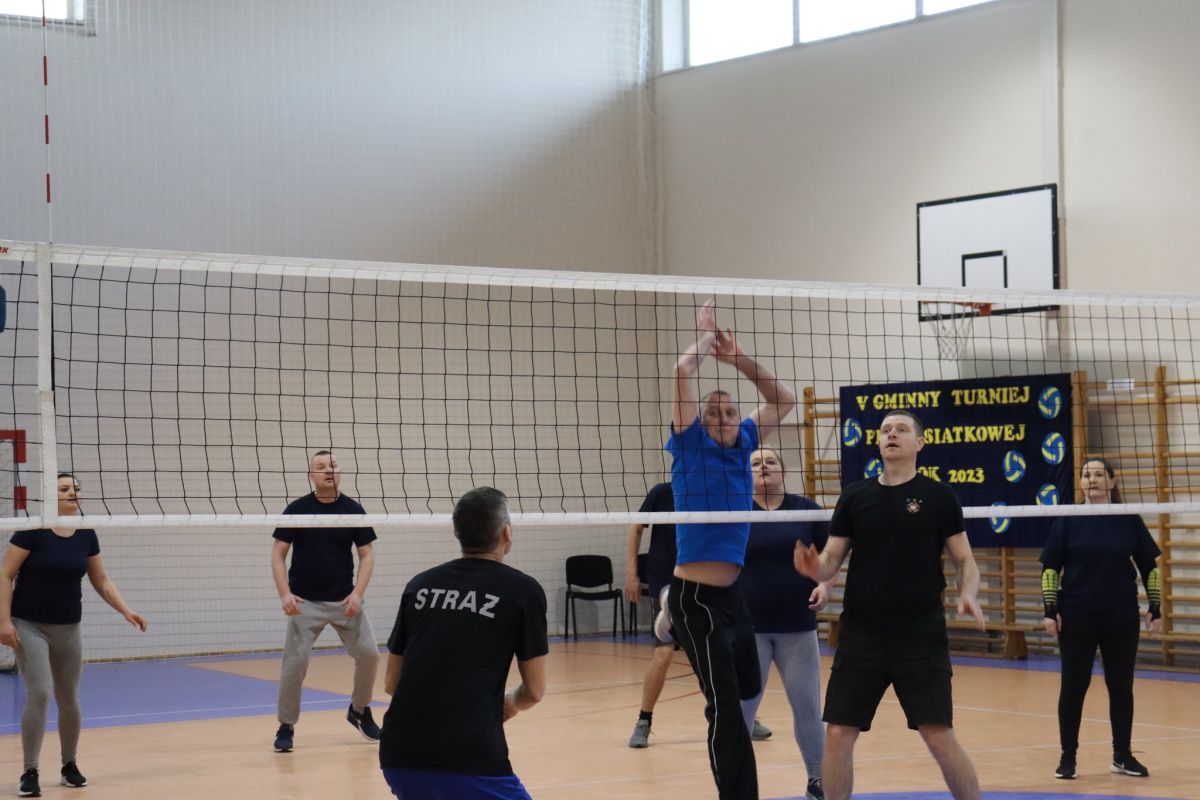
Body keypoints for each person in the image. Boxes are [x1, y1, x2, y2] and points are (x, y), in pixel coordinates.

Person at [794, 409, 985, 800]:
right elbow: (831, 559)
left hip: (920, 635)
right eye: (885, 430)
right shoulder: (855, 496)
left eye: (901, 429)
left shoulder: (939, 496)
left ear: (920, 443)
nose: (891, 434)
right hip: (861, 635)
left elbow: (965, 560)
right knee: (838, 734)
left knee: (939, 736)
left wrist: (968, 592)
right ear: (879, 442)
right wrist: (815, 568)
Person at [658, 299, 797, 799]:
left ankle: (665, 615)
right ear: (699, 420)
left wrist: (737, 358)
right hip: (695, 598)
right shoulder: (690, 444)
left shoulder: (746, 444)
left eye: (730, 411)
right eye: (712, 412)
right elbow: (680, 371)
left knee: (748, 686)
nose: (722, 417)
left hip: (731, 599)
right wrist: (704, 338)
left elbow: (783, 399)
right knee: (725, 709)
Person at [379, 486, 548, 800]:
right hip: (471, 757)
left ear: (456, 532)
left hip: (398, 756)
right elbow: (535, 691)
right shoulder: (523, 592)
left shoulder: (419, 586)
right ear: (507, 533)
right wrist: (510, 704)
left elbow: (391, 684)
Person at [0, 473, 148, 797]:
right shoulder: (32, 530)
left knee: (68, 697)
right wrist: (4, 622)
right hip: (28, 625)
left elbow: (102, 580)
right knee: (40, 693)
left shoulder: (85, 532)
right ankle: (29, 770)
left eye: (76, 489)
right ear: (50, 496)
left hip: (68, 627)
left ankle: (69, 765)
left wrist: (126, 610)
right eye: (65, 489)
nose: (73, 493)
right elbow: (5, 575)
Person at [625, 480, 773, 748]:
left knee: (718, 651)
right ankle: (644, 720)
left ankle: (737, 714)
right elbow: (636, 528)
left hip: (705, 580)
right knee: (664, 652)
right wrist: (632, 573)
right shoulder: (662, 492)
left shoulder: (715, 491)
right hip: (666, 580)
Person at [1040, 457, 1161, 780]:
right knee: (1073, 686)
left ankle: (1122, 755)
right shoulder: (1069, 519)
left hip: (1121, 616)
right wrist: (1050, 609)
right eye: (1086, 475)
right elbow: (1050, 568)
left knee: (1121, 686)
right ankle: (1068, 757)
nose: (1091, 479)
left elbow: (1150, 566)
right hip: (1077, 616)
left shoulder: (1127, 518)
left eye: (1097, 474)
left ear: (1112, 481)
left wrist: (1156, 606)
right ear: (1080, 482)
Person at [739, 447, 833, 800]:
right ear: (746, 473)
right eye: (755, 463)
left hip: (797, 626)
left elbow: (831, 556)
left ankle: (817, 781)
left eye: (771, 461)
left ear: (783, 470)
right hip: (748, 628)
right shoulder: (734, 510)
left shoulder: (806, 510)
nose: (763, 466)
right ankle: (738, 785)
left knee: (808, 709)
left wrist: (824, 586)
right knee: (742, 712)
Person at [271, 449, 380, 752]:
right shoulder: (298, 509)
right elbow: (278, 555)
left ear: (339, 471)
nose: (328, 470)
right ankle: (286, 725)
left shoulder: (353, 510)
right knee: (295, 665)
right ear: (311, 476)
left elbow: (367, 556)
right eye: (321, 466)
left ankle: (359, 710)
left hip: (345, 602)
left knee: (370, 655)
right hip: (304, 602)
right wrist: (285, 594)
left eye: (332, 465)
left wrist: (358, 594)